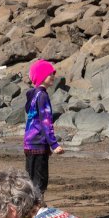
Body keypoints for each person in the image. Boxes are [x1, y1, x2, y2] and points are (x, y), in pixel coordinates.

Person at [24, 59, 65, 196]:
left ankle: (32, 207)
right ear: (41, 77)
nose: (53, 76)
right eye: (49, 74)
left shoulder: (34, 94)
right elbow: (46, 122)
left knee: (31, 179)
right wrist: (53, 144)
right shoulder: (42, 96)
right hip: (38, 144)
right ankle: (36, 208)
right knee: (40, 181)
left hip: (30, 143)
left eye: (53, 73)